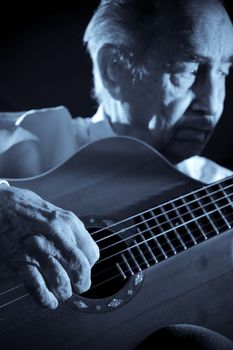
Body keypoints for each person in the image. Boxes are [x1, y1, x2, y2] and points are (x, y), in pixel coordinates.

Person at [0, 0, 233, 348]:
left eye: (224, 72)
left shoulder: (218, 187)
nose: (212, 103)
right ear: (114, 66)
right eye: (188, 69)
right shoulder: (21, 139)